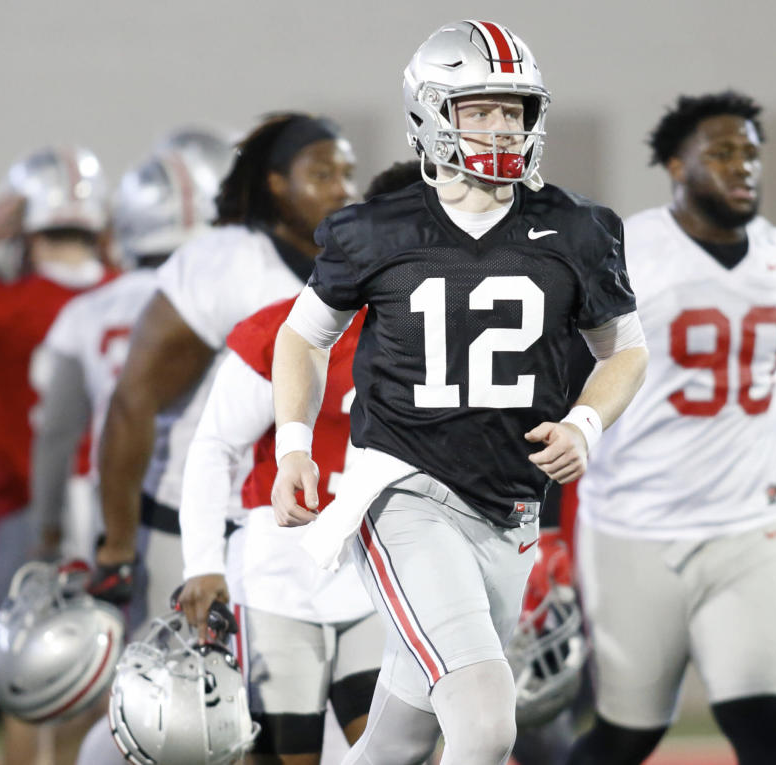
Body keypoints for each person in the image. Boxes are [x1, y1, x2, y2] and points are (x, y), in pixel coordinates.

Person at [271, 20, 648, 765]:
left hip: (511, 510)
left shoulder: (576, 228)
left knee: (401, 737)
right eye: (479, 110)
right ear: (429, 112)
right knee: (485, 721)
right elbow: (301, 336)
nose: (502, 128)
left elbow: (625, 352)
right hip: (405, 491)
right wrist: (292, 445)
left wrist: (585, 424)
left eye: (514, 110)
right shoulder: (377, 229)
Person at [569, 91, 776, 765]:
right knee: (628, 734)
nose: (742, 166)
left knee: (769, 729)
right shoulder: (621, 250)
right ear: (676, 168)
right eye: (721, 152)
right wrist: (543, 521)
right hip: (633, 527)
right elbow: (565, 382)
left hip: (753, 526)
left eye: (749, 152)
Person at [174, 164, 422, 765]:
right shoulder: (297, 326)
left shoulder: (451, 339)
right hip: (284, 574)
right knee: (290, 755)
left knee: (398, 750)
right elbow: (215, 446)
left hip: (381, 572)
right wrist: (204, 563)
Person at [88, 112, 356, 622]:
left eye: (347, 173)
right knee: (183, 695)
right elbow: (134, 400)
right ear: (275, 183)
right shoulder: (226, 264)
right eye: (323, 174)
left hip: (313, 527)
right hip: (200, 523)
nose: (343, 189)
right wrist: (118, 547)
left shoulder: (357, 263)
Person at [30, 133, 232, 565]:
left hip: (118, 498)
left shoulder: (88, 310)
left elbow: (58, 434)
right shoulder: (231, 296)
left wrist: (48, 526)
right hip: (225, 501)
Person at [0, 144, 116, 765]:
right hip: (117, 509)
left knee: (27, 679)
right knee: (111, 674)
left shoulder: (8, 306)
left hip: (24, 506)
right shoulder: (135, 293)